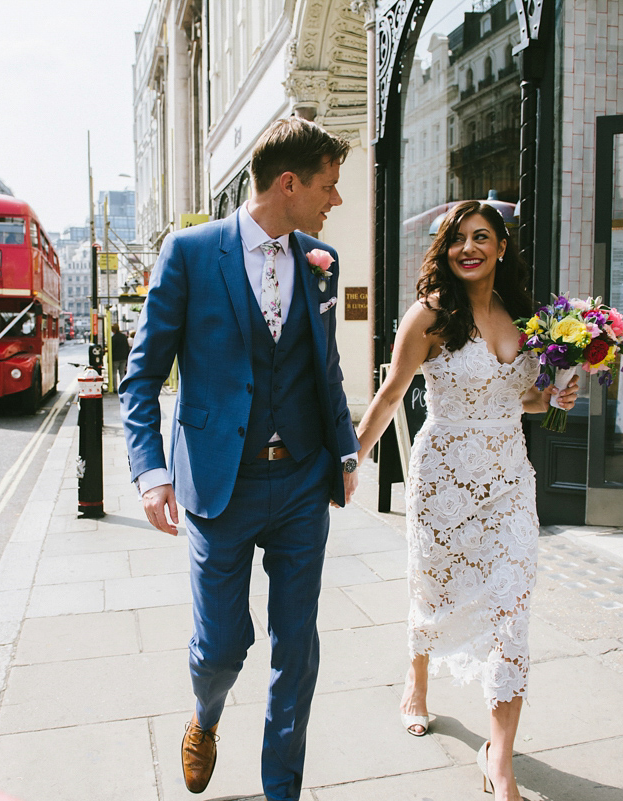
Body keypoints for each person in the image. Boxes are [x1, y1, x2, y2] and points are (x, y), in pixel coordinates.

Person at [120, 117, 359, 801]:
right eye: (327, 185)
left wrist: (343, 450)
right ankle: (206, 716)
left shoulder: (321, 260)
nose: (334, 199)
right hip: (218, 484)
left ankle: (281, 788)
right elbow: (142, 377)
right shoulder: (190, 253)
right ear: (289, 183)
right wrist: (150, 470)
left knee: (297, 648)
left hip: (301, 483)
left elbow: (325, 367)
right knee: (221, 646)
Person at [351, 201, 578, 801]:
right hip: (444, 477)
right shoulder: (430, 316)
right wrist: (352, 461)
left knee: (513, 605)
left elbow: (521, 399)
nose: (468, 248)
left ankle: (498, 758)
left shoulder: (527, 317)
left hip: (510, 481)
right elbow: (392, 391)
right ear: (446, 251)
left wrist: (552, 398)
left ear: (502, 246)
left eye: (482, 237)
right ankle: (416, 678)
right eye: (457, 239)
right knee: (434, 587)